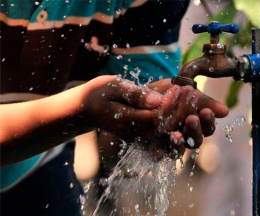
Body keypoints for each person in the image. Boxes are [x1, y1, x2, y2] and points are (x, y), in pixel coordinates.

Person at [0, 0, 229, 215]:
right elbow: (87, 110)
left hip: (38, 161)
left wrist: (148, 123)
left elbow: (113, 149)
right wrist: (81, 111)